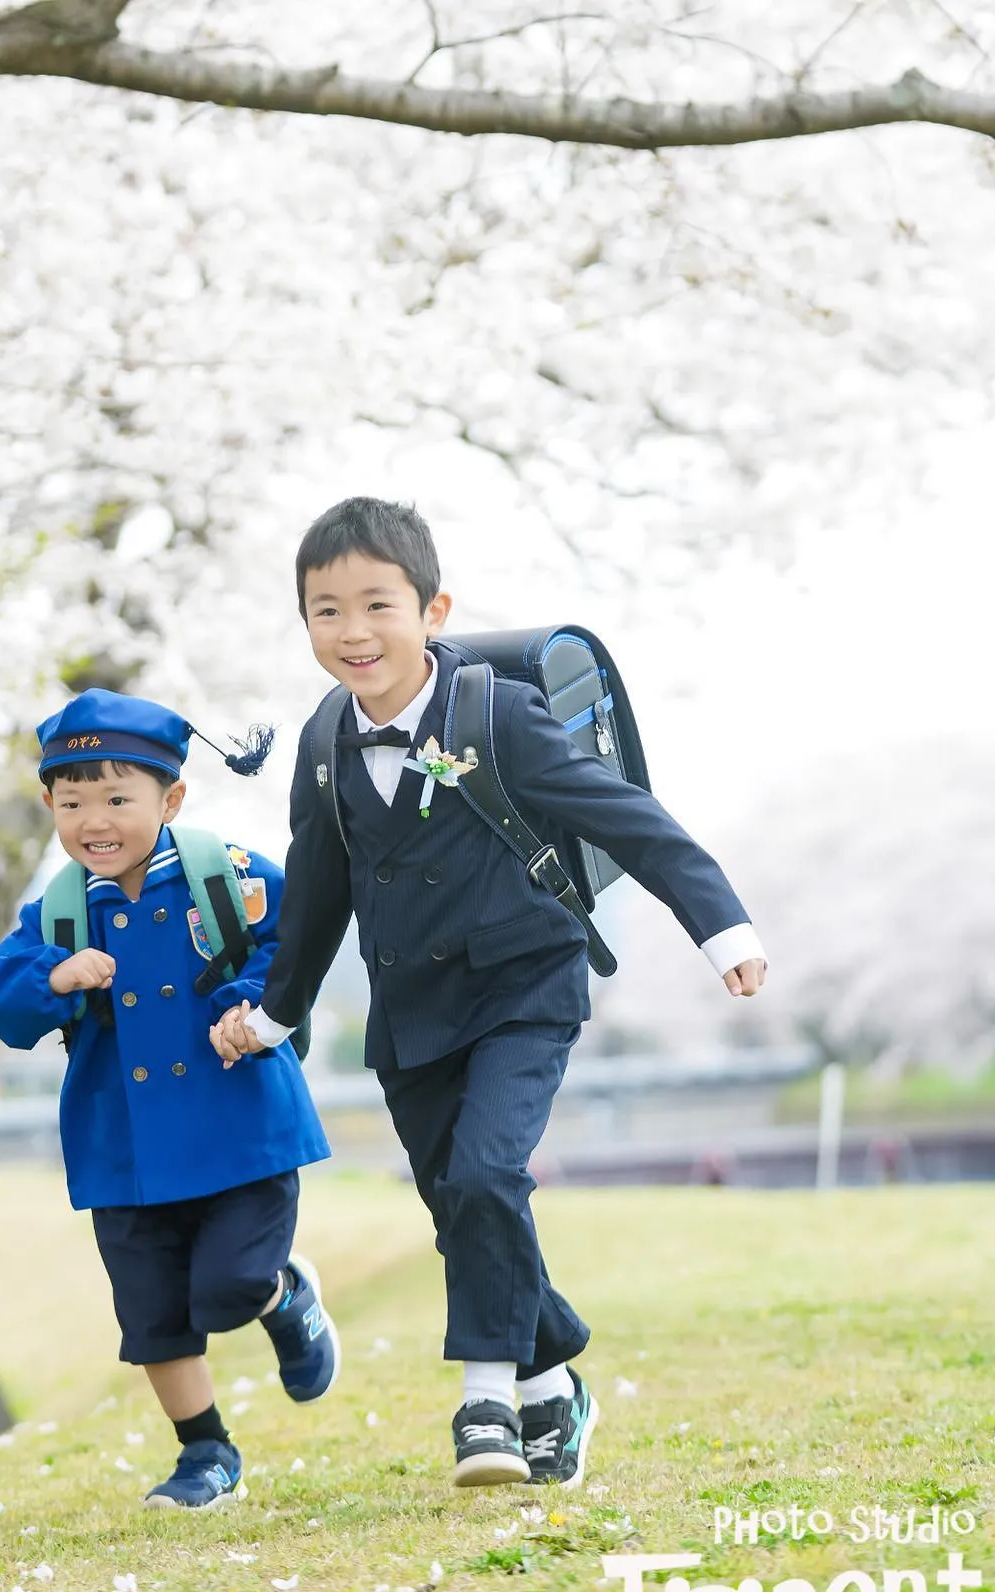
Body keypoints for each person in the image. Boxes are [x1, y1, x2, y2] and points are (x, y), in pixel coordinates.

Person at [215, 497, 767, 1490]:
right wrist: (276, 1013)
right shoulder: (323, 740)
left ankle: (488, 1404)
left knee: (483, 1181)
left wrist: (721, 926)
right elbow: (318, 889)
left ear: (434, 610)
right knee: (464, 1206)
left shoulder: (497, 714)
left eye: (376, 605)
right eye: (324, 611)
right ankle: (557, 1378)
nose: (351, 632)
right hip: (409, 1015)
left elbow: (628, 818)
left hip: (525, 986)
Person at [0, 689, 339, 1511]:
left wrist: (248, 1000)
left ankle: (283, 1295)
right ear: (48, 806)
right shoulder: (63, 911)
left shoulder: (226, 877)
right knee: (154, 1318)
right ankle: (205, 1453)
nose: (93, 819)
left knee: (232, 1284)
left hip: (241, 1128)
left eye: (116, 798)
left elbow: (299, 935)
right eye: (72, 802)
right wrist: (52, 977)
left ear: (171, 799)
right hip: (123, 1149)